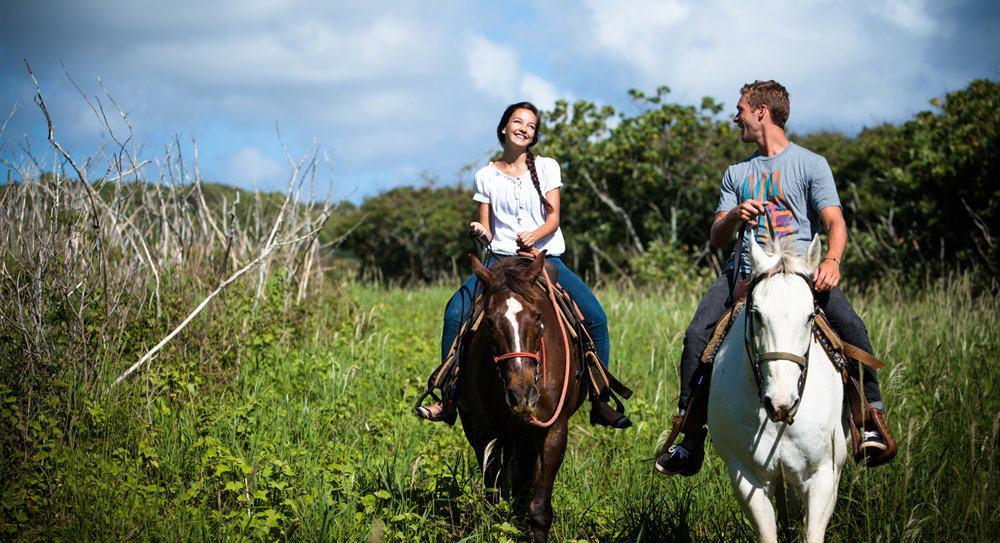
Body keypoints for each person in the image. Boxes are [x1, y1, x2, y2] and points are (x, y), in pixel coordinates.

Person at [655, 80, 896, 475]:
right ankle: (689, 437)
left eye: (740, 110)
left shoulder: (811, 163)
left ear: (761, 111)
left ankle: (868, 422)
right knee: (697, 335)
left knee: (852, 327)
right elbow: (717, 237)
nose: (736, 118)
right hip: (746, 272)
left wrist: (832, 261)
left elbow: (835, 221)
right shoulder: (737, 173)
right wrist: (734, 215)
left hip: (800, 271)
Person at [413, 101, 631, 429]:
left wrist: (535, 235)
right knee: (454, 313)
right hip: (499, 261)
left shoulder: (547, 168)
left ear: (534, 134)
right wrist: (479, 231)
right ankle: (449, 395)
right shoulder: (485, 175)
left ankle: (599, 400)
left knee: (596, 318)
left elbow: (554, 218)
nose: (524, 128)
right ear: (504, 127)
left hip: (544, 259)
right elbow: (487, 229)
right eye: (518, 122)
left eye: (531, 125)